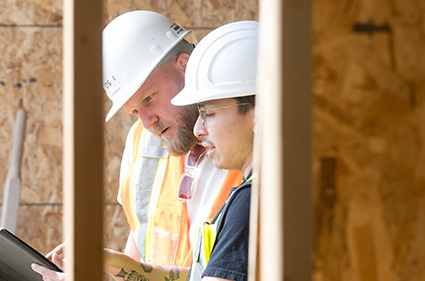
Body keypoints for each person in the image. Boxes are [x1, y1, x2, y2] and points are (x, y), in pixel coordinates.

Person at [34, 21, 260, 281]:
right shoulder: (142, 145)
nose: (147, 123)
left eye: (149, 98)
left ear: (185, 65)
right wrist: (124, 269)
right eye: (135, 112)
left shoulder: (251, 193)